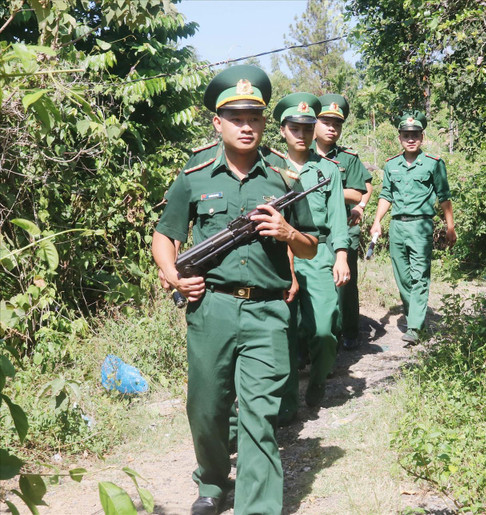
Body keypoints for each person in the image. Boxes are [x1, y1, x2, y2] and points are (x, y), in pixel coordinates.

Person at [151, 65, 318, 515]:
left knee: (259, 415)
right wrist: (173, 275)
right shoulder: (194, 176)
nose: (246, 127)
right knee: (206, 408)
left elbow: (310, 246)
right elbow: (165, 236)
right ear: (217, 123)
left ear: (264, 124)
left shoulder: (284, 178)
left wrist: (288, 233)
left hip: (268, 313)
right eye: (236, 118)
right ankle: (211, 480)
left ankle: (256, 507)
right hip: (212, 310)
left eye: (254, 118)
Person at [264, 92, 351, 422]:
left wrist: (341, 256)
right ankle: (288, 403)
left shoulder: (328, 170)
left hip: (318, 254)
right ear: (282, 131)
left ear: (314, 130)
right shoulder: (268, 167)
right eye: (294, 128)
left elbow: (338, 217)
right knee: (284, 333)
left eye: (307, 128)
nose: (301, 134)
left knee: (324, 329)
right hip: (277, 257)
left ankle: (318, 379)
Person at [369, 111, 457, 344]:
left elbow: (444, 196)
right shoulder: (391, 165)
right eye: (406, 135)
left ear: (422, 137)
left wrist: (450, 226)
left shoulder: (433, 163)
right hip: (397, 226)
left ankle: (415, 327)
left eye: (415, 135)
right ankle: (416, 316)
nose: (411, 139)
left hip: (421, 226)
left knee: (419, 275)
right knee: (403, 277)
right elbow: (386, 195)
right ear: (400, 137)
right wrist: (377, 221)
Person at [312, 93, 373, 350]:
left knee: (345, 283)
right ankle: (317, 333)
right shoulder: (301, 153)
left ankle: (349, 331)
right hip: (311, 229)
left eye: (336, 124)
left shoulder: (348, 157)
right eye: (326, 122)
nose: (331, 128)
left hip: (344, 227)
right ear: (315, 123)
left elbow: (360, 191)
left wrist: (357, 205)